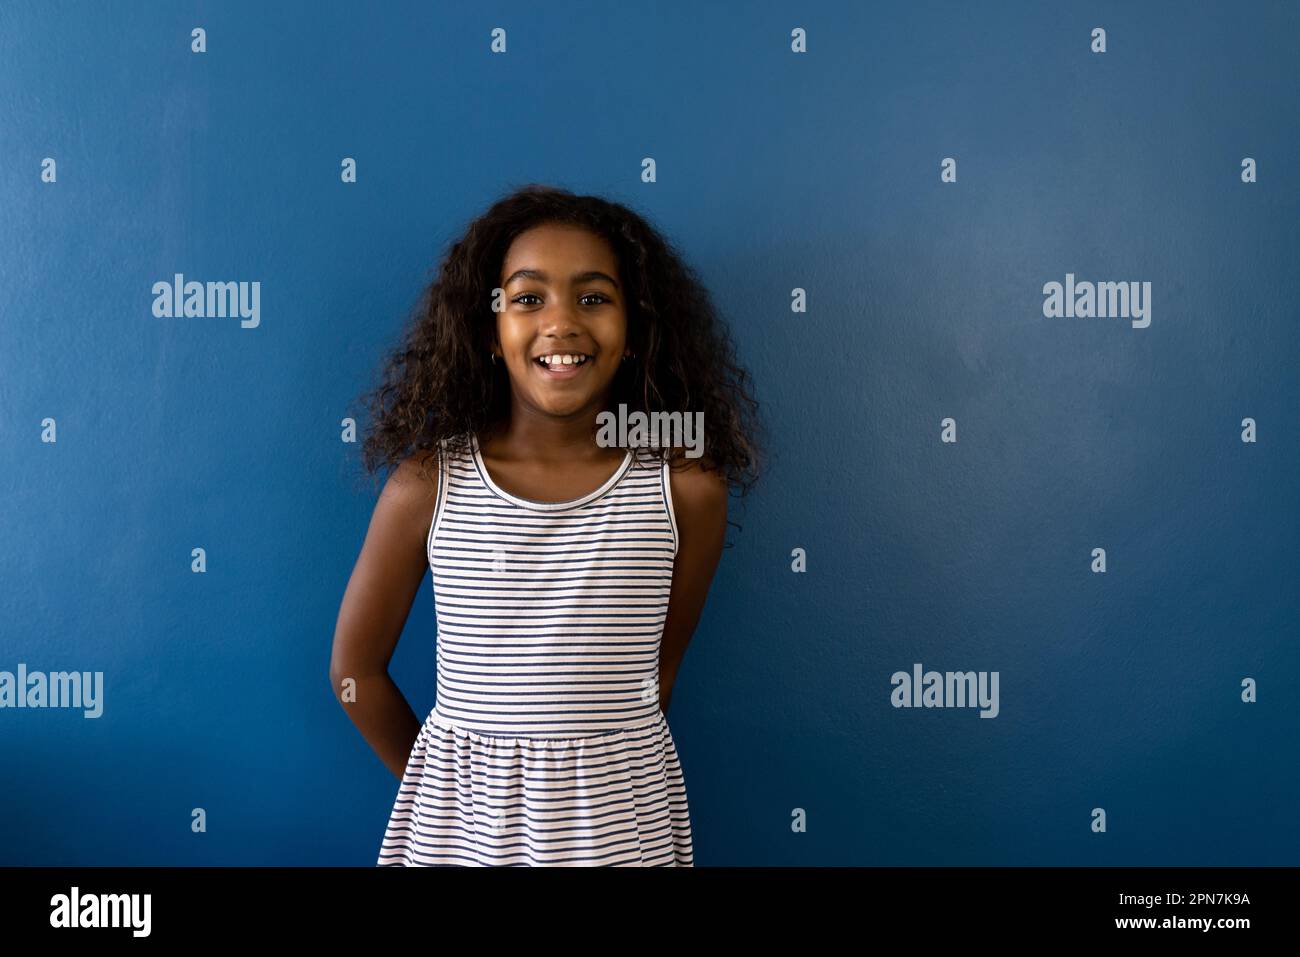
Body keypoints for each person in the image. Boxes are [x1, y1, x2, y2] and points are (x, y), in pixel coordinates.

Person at [330, 183, 761, 865]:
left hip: (621, 836)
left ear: (637, 328)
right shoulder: (429, 484)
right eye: (528, 298)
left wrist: (585, 786)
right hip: (464, 838)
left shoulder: (685, 488)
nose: (561, 322)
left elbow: (657, 677)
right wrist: (449, 786)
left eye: (594, 297)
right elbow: (354, 671)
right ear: (489, 330)